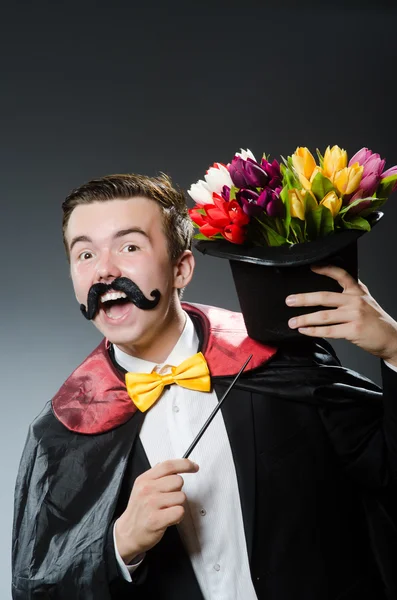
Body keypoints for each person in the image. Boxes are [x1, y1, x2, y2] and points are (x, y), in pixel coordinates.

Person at [12, 173, 397, 600]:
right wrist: (120, 545)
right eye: (84, 254)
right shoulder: (63, 429)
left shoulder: (281, 362)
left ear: (181, 269)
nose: (104, 269)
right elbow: (40, 586)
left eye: (130, 247)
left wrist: (395, 348)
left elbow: (388, 476)